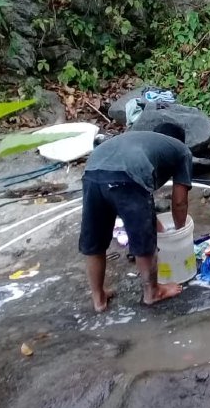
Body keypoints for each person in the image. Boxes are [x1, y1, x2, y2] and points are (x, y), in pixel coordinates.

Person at [79, 122, 193, 312]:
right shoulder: (181, 151)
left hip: (93, 170)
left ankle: (98, 298)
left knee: (95, 241)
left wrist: (159, 229)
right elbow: (179, 201)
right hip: (127, 175)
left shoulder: (142, 142)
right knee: (143, 241)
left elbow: (140, 208)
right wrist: (179, 234)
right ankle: (153, 293)